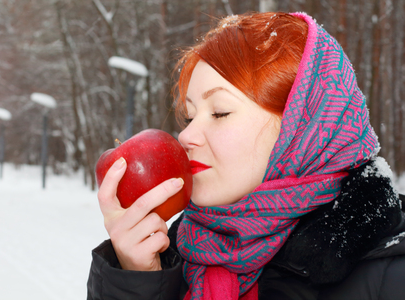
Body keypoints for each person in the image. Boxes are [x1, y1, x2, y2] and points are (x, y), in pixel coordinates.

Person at [87, 11, 405, 300]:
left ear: (304, 124)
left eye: (220, 112)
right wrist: (137, 280)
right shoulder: (178, 251)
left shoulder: (390, 274)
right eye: (188, 117)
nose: (185, 135)